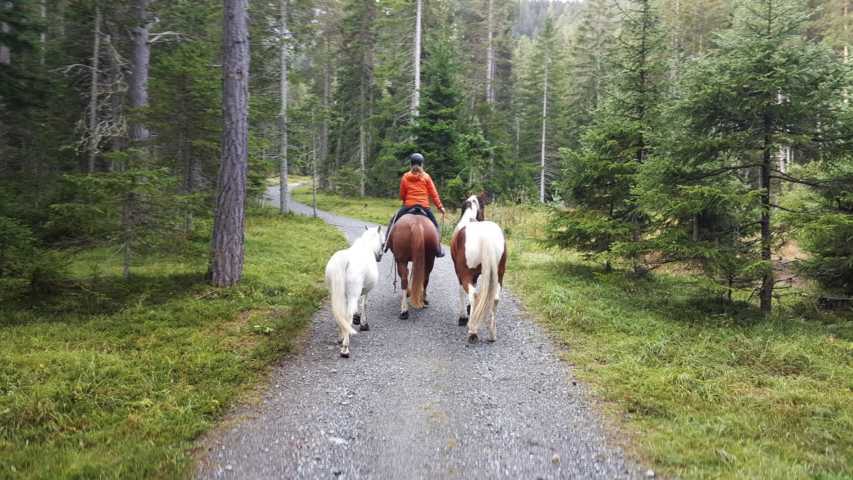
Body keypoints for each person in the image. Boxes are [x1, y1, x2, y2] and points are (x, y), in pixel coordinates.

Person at [385, 152, 447, 257]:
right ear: (422, 164)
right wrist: (440, 207)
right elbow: (434, 194)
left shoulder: (405, 177)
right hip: (424, 207)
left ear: (411, 164)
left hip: (408, 205)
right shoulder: (426, 177)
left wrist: (405, 200)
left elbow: (402, 195)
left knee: (393, 221)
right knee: (435, 225)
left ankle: (386, 244)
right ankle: (438, 249)